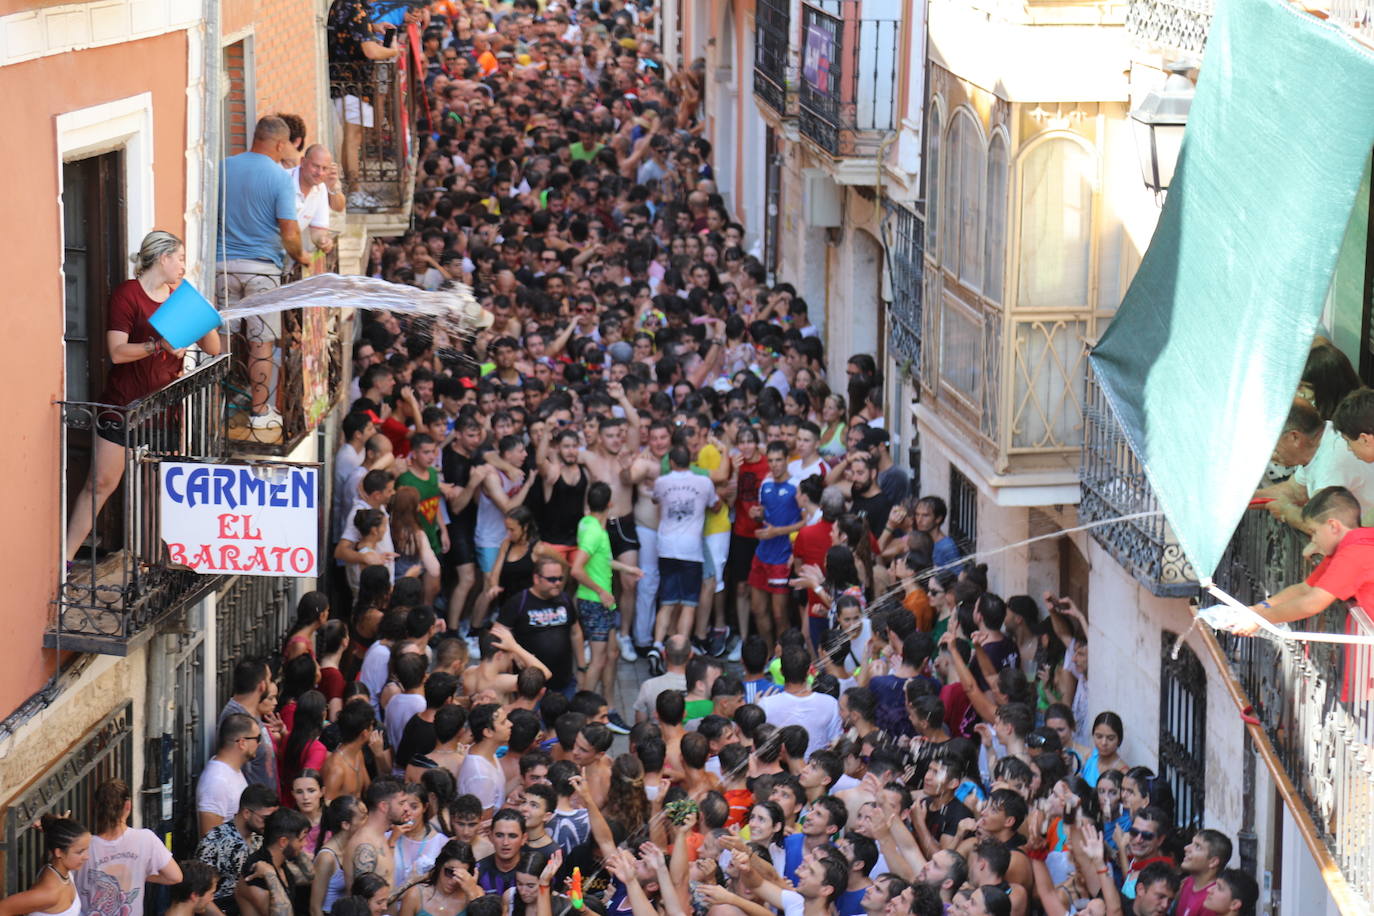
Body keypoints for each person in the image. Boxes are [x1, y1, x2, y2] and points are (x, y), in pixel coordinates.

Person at [65, 230, 222, 561]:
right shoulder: (128, 295)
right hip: (123, 405)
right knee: (101, 483)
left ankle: (151, 564)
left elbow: (213, 347)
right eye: (179, 258)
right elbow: (117, 352)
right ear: (163, 259)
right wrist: (157, 345)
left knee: (155, 492)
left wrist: (201, 312)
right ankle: (63, 560)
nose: (183, 265)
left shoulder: (178, 296)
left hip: (162, 411)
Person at [217, 116, 310, 429]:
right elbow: (289, 231)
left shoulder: (222, 167)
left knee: (222, 336)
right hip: (262, 269)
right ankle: (259, 412)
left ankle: (217, 403)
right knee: (260, 342)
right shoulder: (281, 178)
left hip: (222, 265)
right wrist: (301, 255)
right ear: (281, 144)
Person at [1243, 486, 1374, 632]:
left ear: (1333, 526)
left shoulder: (1354, 554)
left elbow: (1311, 603)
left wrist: (1260, 619)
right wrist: (1258, 609)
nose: (1314, 540)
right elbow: (1305, 588)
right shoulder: (1351, 545)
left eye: (1314, 531)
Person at [571, 482, 641, 718]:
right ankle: (582, 714)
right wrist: (601, 591)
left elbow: (602, 559)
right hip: (594, 602)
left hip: (602, 604)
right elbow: (577, 569)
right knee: (598, 661)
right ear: (610, 504)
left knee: (612, 654)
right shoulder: (595, 532)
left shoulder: (587, 523)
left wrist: (628, 569)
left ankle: (608, 707)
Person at [77, 779, 181, 916]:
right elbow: (175, 877)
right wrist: (142, 875)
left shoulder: (81, 847)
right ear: (128, 806)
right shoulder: (146, 839)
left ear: (95, 808)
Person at [651, 445, 719, 644]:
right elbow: (714, 505)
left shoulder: (661, 482)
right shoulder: (704, 482)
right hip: (692, 551)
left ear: (671, 462)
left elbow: (655, 500)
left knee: (667, 603)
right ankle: (680, 648)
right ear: (691, 461)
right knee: (689, 604)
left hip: (666, 548)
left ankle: (657, 645)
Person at [497, 557, 584, 697]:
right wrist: (513, 654)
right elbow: (497, 634)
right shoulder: (518, 602)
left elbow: (576, 633)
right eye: (551, 579)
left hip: (564, 683)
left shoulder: (565, 599)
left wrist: (581, 668)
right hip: (531, 687)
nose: (557, 583)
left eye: (560, 578)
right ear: (536, 579)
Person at [195, 784, 280, 915]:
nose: (271, 824)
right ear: (246, 813)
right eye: (266, 818)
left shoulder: (262, 836)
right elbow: (200, 893)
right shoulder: (215, 840)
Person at [758, 647, 842, 757]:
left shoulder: (766, 705)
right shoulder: (830, 703)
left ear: (781, 672)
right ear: (808, 671)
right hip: (818, 769)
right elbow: (836, 742)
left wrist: (758, 706)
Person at [0, 816, 90, 916]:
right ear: (59, 852)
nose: (87, 857)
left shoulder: (63, 871)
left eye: (86, 849)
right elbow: (3, 909)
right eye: (80, 852)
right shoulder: (49, 893)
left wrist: (55, 826)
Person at [236, 808, 311, 916]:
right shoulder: (254, 874)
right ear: (283, 842)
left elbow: (309, 876)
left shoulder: (280, 863)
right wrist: (270, 875)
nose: (305, 843)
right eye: (301, 839)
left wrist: (296, 847)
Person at [198, 714, 260, 836]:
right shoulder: (217, 781)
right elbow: (211, 842)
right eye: (257, 739)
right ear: (242, 743)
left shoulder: (230, 771)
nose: (260, 744)